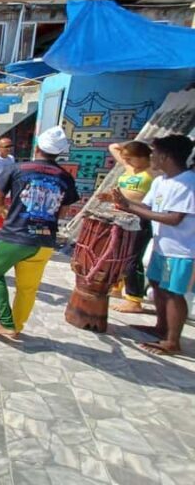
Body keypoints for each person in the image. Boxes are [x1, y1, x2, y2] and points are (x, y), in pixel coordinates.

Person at [0, 126, 79, 340]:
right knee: (27, 288)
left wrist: (8, 214)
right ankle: (16, 327)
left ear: (37, 146)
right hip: (44, 241)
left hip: (14, 236)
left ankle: (6, 322)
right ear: (59, 152)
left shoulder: (18, 168)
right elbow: (63, 210)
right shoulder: (65, 177)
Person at [111, 135, 195, 356]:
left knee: (174, 293)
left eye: (154, 153)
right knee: (158, 286)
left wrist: (131, 206)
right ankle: (161, 327)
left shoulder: (188, 183)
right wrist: (123, 204)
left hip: (182, 250)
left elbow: (174, 218)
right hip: (162, 246)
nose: (152, 157)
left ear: (166, 156)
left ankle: (172, 340)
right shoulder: (160, 181)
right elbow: (146, 206)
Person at [99, 141, 155, 313]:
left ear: (144, 157)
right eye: (126, 159)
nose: (127, 162)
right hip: (121, 216)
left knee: (132, 259)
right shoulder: (129, 167)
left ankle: (134, 299)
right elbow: (112, 146)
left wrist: (149, 147)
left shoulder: (153, 170)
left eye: (131, 158)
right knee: (117, 254)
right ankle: (117, 286)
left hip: (140, 218)